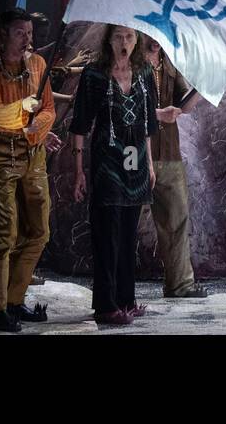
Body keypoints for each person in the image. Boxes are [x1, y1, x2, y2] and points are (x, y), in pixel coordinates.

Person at [0, 8, 59, 332]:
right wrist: (25, 113)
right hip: (1, 156)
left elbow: (48, 109)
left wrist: (38, 131)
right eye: (21, 33)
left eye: (30, 34)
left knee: (40, 231)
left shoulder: (37, 64)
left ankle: (14, 300)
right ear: (3, 34)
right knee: (4, 235)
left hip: (33, 155)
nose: (28, 40)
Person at [70, 25, 158, 326]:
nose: (125, 42)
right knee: (107, 232)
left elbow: (148, 123)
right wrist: (78, 169)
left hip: (136, 162)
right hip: (108, 160)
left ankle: (126, 298)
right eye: (119, 36)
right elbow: (80, 123)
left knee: (128, 233)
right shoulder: (94, 74)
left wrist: (150, 164)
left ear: (138, 40)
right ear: (109, 39)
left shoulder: (145, 73)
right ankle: (105, 304)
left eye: (130, 37)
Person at [138, 36, 207, 298]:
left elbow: (184, 106)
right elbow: (124, 107)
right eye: (151, 38)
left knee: (177, 220)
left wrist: (201, 87)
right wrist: (157, 114)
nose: (156, 43)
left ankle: (180, 284)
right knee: (127, 221)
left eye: (161, 38)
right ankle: (118, 290)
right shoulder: (129, 66)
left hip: (169, 153)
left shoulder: (168, 64)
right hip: (136, 155)